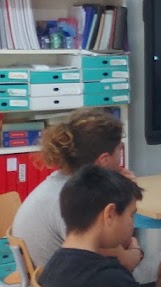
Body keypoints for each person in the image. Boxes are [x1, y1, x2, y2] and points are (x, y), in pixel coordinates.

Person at [12, 108, 142, 270]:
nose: (120, 158)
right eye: (119, 150)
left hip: (51, 279)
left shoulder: (61, 184)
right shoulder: (81, 200)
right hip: (72, 283)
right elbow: (125, 261)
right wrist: (137, 250)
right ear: (104, 160)